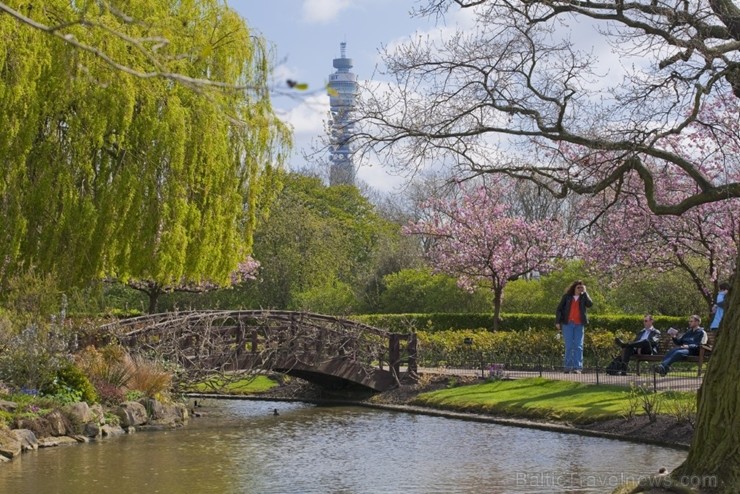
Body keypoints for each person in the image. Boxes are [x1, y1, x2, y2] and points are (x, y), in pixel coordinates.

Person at [555, 280, 593, 374]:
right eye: (578, 287)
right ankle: (567, 367)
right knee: (569, 346)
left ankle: (577, 368)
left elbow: (590, 304)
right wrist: (557, 322)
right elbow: (559, 309)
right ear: (574, 288)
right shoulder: (567, 297)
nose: (580, 289)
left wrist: (585, 292)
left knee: (578, 346)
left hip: (579, 324)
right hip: (568, 324)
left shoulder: (583, 297)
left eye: (581, 287)